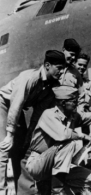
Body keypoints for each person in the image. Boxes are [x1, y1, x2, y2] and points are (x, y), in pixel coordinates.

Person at [0, 50, 66, 195]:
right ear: (47, 65)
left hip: (18, 111)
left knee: (23, 150)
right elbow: (16, 104)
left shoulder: (50, 87)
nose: (61, 72)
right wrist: (10, 134)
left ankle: (25, 192)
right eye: (59, 68)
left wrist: (29, 137)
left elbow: (37, 116)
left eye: (63, 69)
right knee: (4, 148)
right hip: (4, 105)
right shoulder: (30, 77)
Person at [60, 38, 85, 105]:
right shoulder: (53, 68)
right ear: (63, 50)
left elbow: (81, 95)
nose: (73, 58)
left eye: (75, 56)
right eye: (71, 54)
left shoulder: (76, 73)